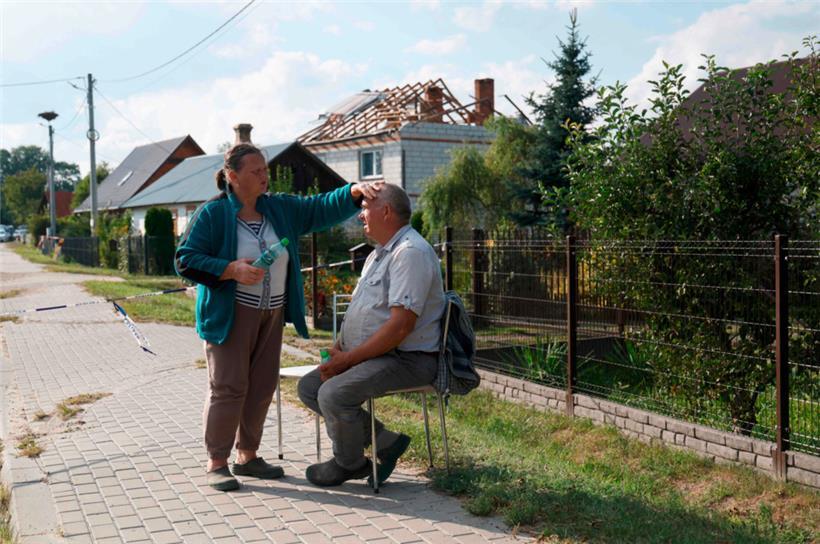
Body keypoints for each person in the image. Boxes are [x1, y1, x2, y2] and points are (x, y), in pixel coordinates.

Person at [175, 143, 381, 491]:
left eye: (264, 170)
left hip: (271, 313)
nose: (263, 176)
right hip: (231, 314)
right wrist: (229, 269)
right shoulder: (213, 214)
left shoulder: (277, 207)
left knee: (260, 386)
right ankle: (217, 462)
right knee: (229, 387)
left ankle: (248, 456)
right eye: (255, 171)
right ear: (232, 176)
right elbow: (185, 259)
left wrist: (354, 191)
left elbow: (317, 208)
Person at [297, 183, 445, 487]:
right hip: (379, 354)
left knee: (333, 394)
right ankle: (386, 441)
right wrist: (339, 350)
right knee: (311, 387)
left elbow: (400, 327)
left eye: (364, 208)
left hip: (408, 359)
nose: (359, 216)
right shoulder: (379, 254)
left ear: (386, 211)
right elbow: (365, 310)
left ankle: (349, 463)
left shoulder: (410, 253)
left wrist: (348, 359)